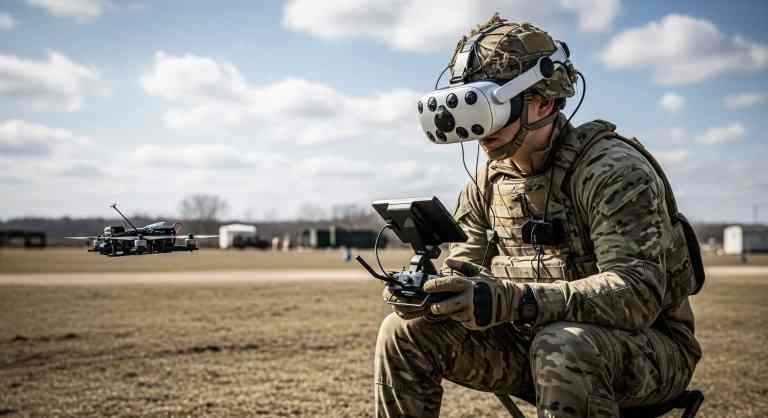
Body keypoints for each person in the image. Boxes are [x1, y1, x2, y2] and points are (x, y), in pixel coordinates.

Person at [374, 15, 703, 418]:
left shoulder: (610, 170)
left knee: (562, 344)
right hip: (530, 344)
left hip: (647, 349)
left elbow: (637, 295)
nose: (477, 130)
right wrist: (433, 295)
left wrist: (513, 300)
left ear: (543, 101)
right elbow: (465, 266)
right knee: (402, 331)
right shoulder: (486, 184)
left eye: (489, 104)